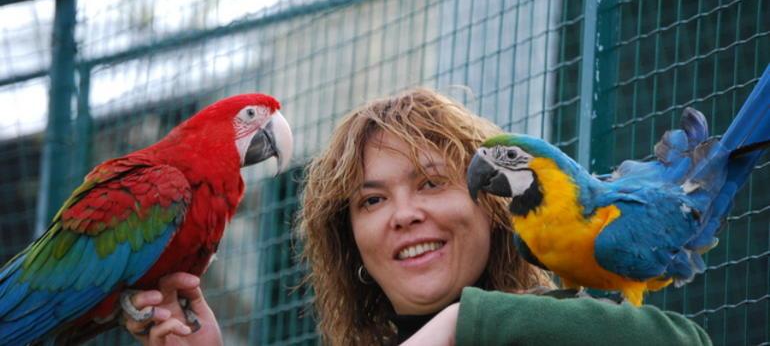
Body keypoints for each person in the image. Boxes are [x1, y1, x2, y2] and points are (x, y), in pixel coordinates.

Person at [124, 88, 712, 345]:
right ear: (350, 242)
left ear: (495, 211)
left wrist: (465, 325)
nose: (403, 215)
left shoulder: (559, 324)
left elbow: (678, 341)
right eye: (372, 200)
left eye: (432, 183)